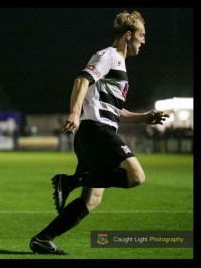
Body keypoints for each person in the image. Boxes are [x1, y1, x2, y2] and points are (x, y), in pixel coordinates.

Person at [29, 10, 169, 255]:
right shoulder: (109, 55)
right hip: (96, 132)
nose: (144, 41)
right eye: (141, 35)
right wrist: (74, 113)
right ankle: (70, 180)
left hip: (97, 132)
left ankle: (43, 238)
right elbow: (81, 80)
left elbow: (116, 111)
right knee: (136, 176)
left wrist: (144, 118)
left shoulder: (120, 65)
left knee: (92, 199)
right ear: (128, 35)